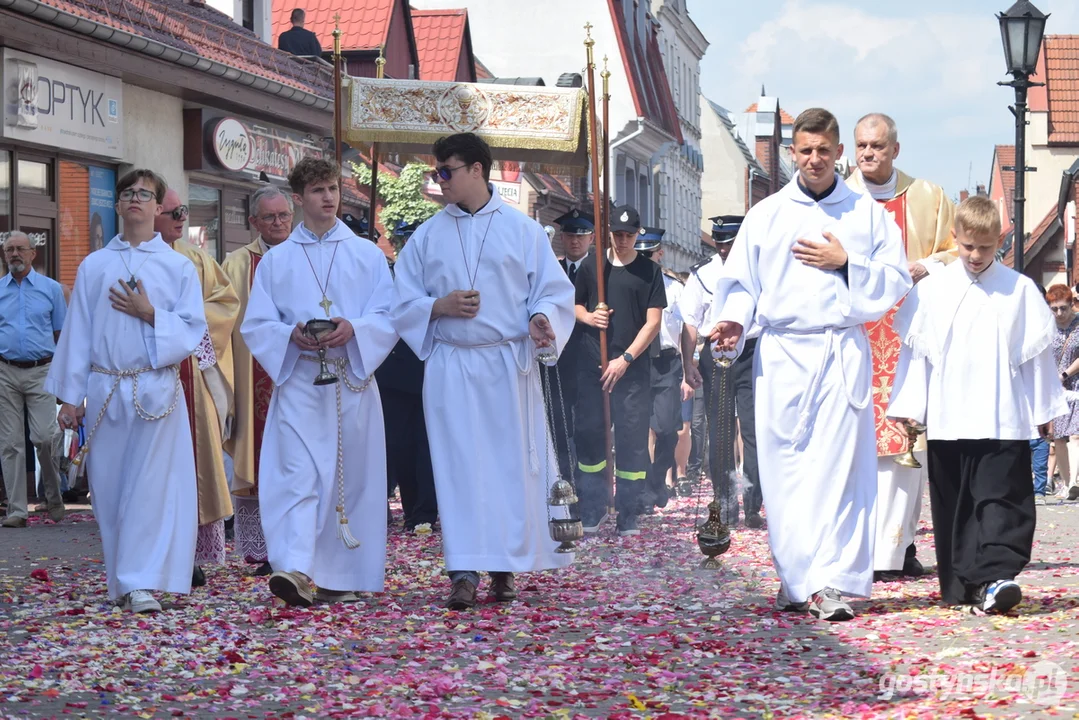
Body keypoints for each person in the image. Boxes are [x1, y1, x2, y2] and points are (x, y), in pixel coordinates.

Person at [706, 108, 911, 621]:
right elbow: (740, 284)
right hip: (781, 354)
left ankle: (833, 581)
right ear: (792, 154)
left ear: (838, 153)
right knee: (786, 469)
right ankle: (797, 577)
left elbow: (894, 281)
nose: (815, 159)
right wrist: (734, 319)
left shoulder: (865, 215)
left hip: (841, 350)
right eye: (806, 150)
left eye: (824, 150)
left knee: (838, 471)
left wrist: (848, 264)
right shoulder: (767, 214)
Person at [392, 132, 576, 609]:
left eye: (446, 171)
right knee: (457, 468)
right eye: (437, 172)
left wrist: (541, 319)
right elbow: (400, 299)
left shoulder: (523, 231)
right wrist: (438, 306)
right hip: (451, 363)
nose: (440, 180)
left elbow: (553, 293)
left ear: (477, 169)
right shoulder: (428, 234)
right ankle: (462, 571)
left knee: (506, 467)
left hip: (505, 364)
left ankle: (503, 567)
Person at [887, 195, 1066, 614]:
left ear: (999, 241)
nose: (975, 256)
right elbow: (917, 353)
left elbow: (1036, 357)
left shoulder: (1019, 289)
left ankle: (997, 575)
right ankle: (967, 584)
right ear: (956, 237)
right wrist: (911, 406)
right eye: (968, 246)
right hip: (949, 417)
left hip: (1004, 416)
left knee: (1002, 500)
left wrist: (1044, 414)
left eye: (985, 247)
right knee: (956, 506)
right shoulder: (931, 291)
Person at [48, 169, 207, 613]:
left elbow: (195, 329)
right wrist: (68, 397)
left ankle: (140, 581)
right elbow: (78, 331)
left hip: (155, 389)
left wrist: (151, 313)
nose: (135, 199)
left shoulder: (177, 266)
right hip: (104, 388)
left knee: (149, 488)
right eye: (128, 193)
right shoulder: (94, 264)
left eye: (145, 194)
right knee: (111, 488)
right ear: (118, 205)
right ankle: (123, 581)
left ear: (158, 207)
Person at [241, 157, 397, 606]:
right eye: (317, 191)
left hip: (350, 383)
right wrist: (287, 334)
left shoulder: (367, 254)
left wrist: (357, 330)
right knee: (295, 478)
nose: (328, 198)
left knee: (349, 483)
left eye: (332, 189)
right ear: (299, 198)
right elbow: (256, 324)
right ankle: (295, 570)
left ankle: (342, 574)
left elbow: (388, 316)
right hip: (300, 388)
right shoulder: (276, 262)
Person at [847, 112, 957, 581]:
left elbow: (958, 250)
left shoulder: (927, 196)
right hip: (857, 335)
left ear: (895, 149)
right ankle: (858, 549)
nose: (868, 154)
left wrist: (924, 266)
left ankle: (900, 546)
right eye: (861, 146)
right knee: (858, 446)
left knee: (907, 443)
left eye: (877, 146)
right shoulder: (839, 197)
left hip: (909, 332)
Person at [156, 189, 239, 588]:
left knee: (195, 464)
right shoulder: (133, 262)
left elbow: (225, 303)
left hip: (192, 372)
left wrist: (181, 320)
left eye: (183, 211)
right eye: (172, 211)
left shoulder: (196, 259)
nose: (180, 217)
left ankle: (189, 554)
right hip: (149, 374)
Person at [574, 205, 665, 537]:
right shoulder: (593, 267)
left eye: (628, 235)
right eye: (617, 234)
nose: (622, 240)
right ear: (608, 233)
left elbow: (653, 322)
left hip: (631, 371)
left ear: (637, 235)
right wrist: (589, 318)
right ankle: (593, 505)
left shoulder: (648, 272)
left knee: (631, 441)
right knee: (590, 435)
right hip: (593, 367)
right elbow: (574, 305)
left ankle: (629, 510)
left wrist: (626, 358)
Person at [222, 185, 295, 576]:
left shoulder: (310, 255)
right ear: (254, 222)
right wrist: (229, 391)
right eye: (270, 217)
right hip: (255, 384)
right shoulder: (236, 264)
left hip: (302, 375)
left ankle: (304, 550)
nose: (279, 222)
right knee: (261, 461)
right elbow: (222, 331)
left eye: (284, 215)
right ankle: (265, 550)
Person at [679, 216, 752, 525]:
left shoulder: (756, 268)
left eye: (729, 243)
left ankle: (754, 501)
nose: (724, 249)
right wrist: (687, 365)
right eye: (720, 243)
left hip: (751, 349)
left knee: (752, 429)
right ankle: (723, 501)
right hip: (716, 351)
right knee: (719, 432)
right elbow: (690, 322)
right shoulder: (703, 275)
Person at [375, 220, 439, 532]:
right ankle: (413, 510)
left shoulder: (437, 276)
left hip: (428, 368)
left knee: (427, 445)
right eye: (405, 240)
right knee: (400, 446)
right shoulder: (389, 274)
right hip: (393, 371)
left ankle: (425, 511)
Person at [0, 231, 67, 527]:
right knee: (10, 443)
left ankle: (53, 496)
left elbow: (62, 336)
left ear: (32, 254)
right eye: (9, 250)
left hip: (42, 370)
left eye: (20, 249)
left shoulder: (51, 290)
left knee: (43, 437)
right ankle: (17, 510)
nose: (14, 254)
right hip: (6, 371)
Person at [635, 228, 687, 511]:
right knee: (638, 428)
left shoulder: (674, 287)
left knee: (668, 428)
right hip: (638, 362)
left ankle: (657, 480)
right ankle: (645, 490)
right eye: (640, 254)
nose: (645, 260)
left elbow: (686, 329)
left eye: (649, 254)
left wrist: (688, 365)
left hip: (667, 362)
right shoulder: (629, 284)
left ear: (660, 253)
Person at [543, 208, 594, 484]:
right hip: (557, 358)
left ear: (591, 238)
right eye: (570, 235)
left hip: (589, 357)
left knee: (588, 426)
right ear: (562, 237)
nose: (575, 241)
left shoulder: (600, 270)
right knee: (558, 422)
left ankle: (589, 486)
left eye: (581, 235)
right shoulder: (552, 271)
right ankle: (563, 478)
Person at [1045, 284, 1079, 502]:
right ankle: (1067, 484)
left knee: (1075, 434)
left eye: (1063, 308)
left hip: (1075, 385)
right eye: (1054, 308)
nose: (1059, 313)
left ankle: (1075, 482)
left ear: (1071, 305)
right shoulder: (1046, 327)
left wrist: (1064, 374)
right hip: (1053, 388)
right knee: (1058, 437)